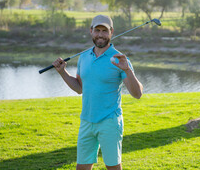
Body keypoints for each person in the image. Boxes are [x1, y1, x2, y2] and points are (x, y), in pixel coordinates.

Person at [52, 14, 143, 170]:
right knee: (82, 167)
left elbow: (137, 94)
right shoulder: (83, 57)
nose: (100, 34)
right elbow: (80, 88)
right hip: (87, 121)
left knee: (113, 167)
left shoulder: (119, 59)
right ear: (91, 31)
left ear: (111, 32)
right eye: (97, 30)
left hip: (109, 121)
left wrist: (127, 70)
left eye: (104, 31)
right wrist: (62, 73)